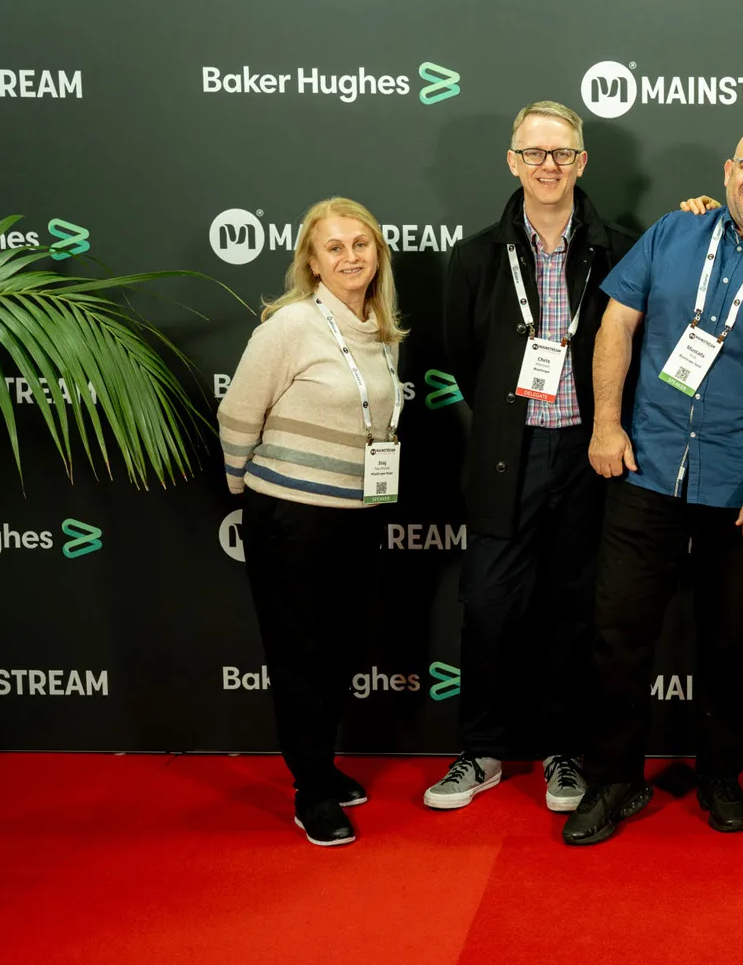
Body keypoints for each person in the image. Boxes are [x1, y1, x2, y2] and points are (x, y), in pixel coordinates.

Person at [561, 127, 743, 846]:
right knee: (618, 635)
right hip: (645, 465)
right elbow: (616, 325)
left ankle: (721, 775)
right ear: (727, 171)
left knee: (728, 639)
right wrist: (604, 424)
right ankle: (614, 781)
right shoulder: (673, 231)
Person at [426, 101, 637, 815]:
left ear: (582, 163)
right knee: (487, 606)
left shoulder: (620, 248)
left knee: (574, 607)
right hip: (505, 454)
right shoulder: (474, 254)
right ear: (512, 161)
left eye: (562, 154)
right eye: (534, 153)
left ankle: (560, 752)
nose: (549, 166)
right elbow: (462, 354)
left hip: (589, 453)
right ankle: (481, 750)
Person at [219, 197, 406, 846]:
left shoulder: (379, 330)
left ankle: (321, 766)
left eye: (361, 243)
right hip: (290, 519)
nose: (350, 256)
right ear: (312, 261)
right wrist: (248, 488)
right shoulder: (293, 325)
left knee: (335, 652)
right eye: (335, 247)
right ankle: (310, 791)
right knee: (301, 656)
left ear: (377, 253)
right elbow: (238, 412)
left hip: (353, 519)